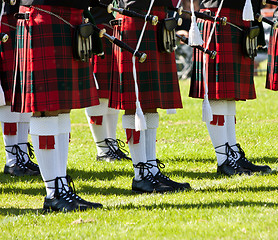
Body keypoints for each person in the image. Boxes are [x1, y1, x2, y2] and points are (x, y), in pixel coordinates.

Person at [12, 0, 103, 212]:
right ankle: (53, 193)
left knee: (63, 106)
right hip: (44, 11)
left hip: (70, 12)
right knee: (45, 108)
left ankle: (61, 186)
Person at [110, 0, 191, 193]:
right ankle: (141, 174)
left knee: (150, 102)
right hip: (135, 16)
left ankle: (151, 169)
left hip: (158, 16)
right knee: (135, 101)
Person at [190, 0, 271, 176]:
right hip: (217, 15)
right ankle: (223, 160)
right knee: (218, 92)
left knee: (228, 93)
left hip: (238, 14)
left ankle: (232, 152)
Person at [85, 1, 131, 163]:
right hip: (94, 30)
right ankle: (102, 149)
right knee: (99, 94)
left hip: (111, 29)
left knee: (111, 93)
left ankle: (111, 144)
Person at [0, 1, 39, 177]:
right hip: (5, 17)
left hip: (23, 16)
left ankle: (21, 155)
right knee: (9, 95)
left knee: (21, 92)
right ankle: (12, 160)